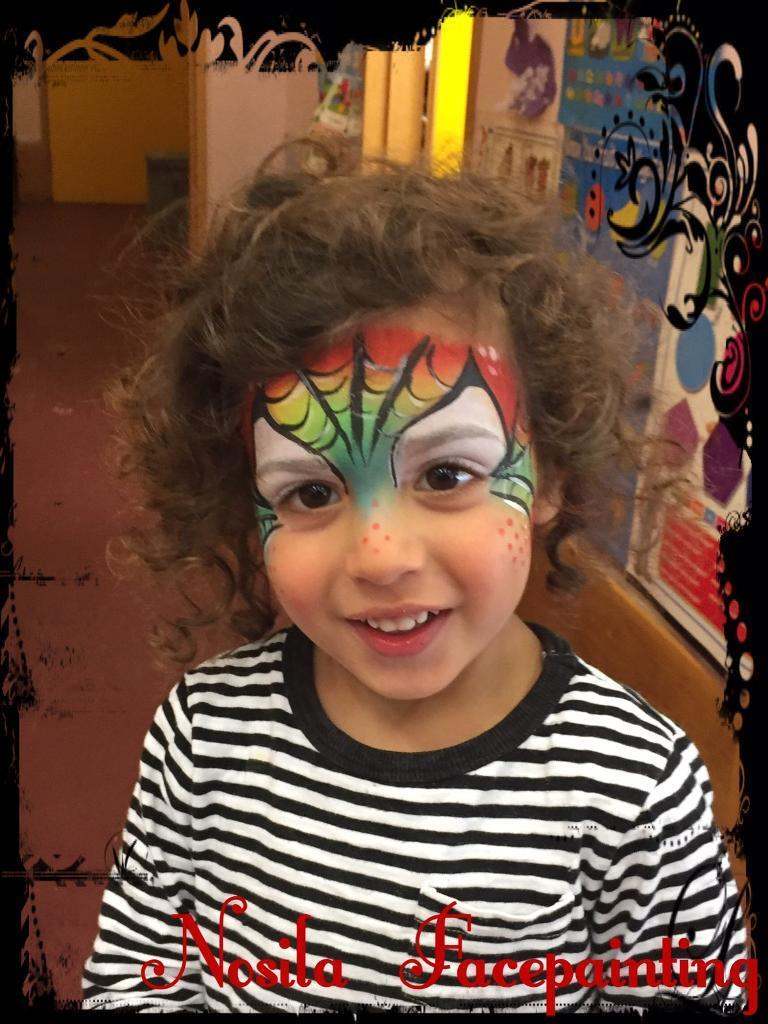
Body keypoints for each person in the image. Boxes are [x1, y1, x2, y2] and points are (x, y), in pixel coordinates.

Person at [82, 138, 749, 1014]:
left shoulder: (634, 787)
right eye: (310, 492)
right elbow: (135, 978)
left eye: (445, 474)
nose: (382, 556)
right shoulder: (204, 739)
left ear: (548, 475)